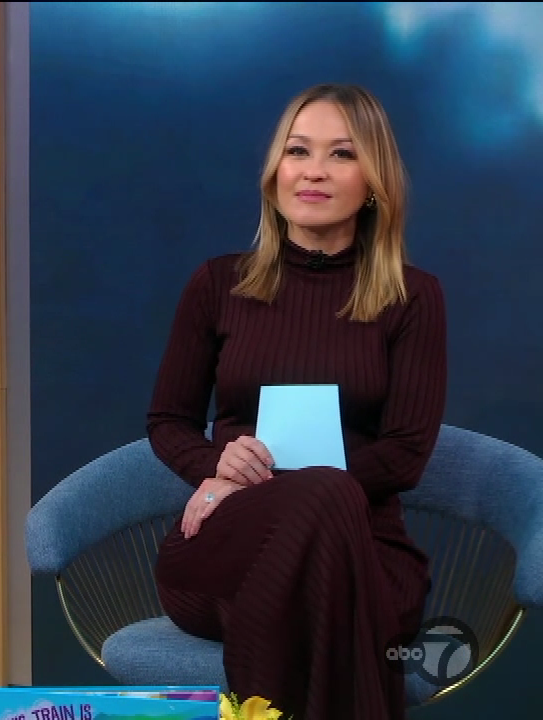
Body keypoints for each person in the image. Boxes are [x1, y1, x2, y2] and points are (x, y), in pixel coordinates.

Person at [147, 83, 446, 720]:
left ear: (374, 183)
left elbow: (405, 454)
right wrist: (216, 467)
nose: (313, 171)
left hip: (364, 550)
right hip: (229, 543)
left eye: (342, 153)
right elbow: (169, 421)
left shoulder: (413, 298)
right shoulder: (217, 284)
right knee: (319, 521)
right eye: (297, 151)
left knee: (327, 498)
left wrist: (287, 486)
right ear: (274, 173)